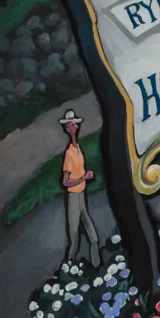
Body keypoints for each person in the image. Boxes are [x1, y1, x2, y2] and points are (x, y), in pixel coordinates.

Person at [57, 110, 102, 271]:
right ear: (67, 128)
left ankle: (97, 266)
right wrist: (83, 178)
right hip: (73, 197)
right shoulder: (69, 153)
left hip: (81, 196)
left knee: (93, 236)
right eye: (70, 124)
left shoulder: (77, 148)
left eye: (74, 123)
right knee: (74, 238)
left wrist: (85, 175)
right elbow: (65, 181)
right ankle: (68, 268)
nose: (74, 126)